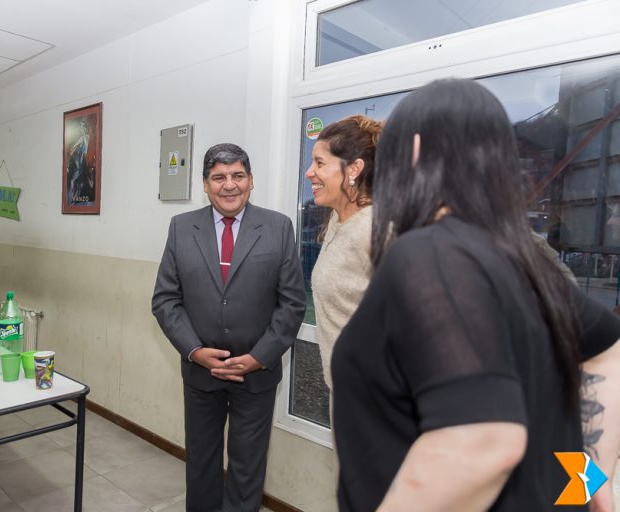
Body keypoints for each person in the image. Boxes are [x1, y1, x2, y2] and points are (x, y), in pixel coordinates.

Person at [331, 78, 620, 511]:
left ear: (413, 152)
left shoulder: (430, 254)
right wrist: (592, 478)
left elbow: (484, 441)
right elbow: (607, 348)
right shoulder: (523, 261)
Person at [152, 143, 305, 511]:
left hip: (256, 374)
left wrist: (259, 356)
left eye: (238, 175)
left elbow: (292, 303)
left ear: (251, 180)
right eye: (219, 177)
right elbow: (165, 299)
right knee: (201, 461)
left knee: (247, 465)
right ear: (205, 184)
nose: (229, 185)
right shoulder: (181, 228)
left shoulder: (278, 227)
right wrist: (194, 351)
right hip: (200, 373)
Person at [305, 115, 382, 389]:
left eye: (320, 163)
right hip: (346, 391)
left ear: (354, 169)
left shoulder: (377, 229)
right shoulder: (337, 220)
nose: (309, 172)